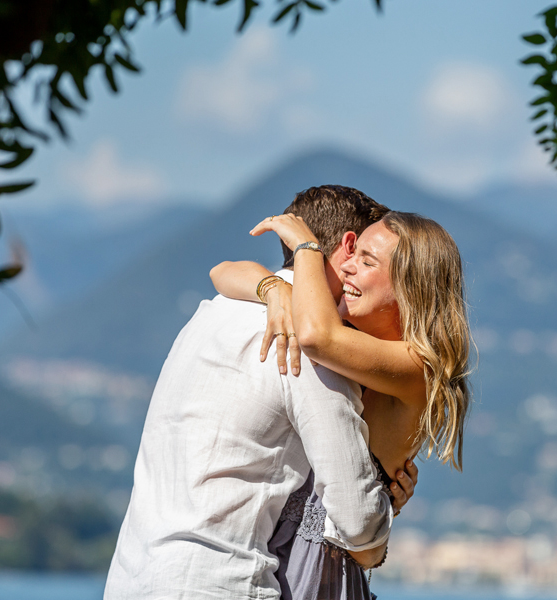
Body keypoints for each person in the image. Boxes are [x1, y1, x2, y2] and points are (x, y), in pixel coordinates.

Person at [104, 186, 417, 600]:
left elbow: (222, 270)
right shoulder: (311, 347)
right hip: (220, 583)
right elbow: (358, 523)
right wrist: (382, 512)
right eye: (365, 258)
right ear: (348, 246)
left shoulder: (210, 313)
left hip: (131, 578)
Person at [210, 208, 473, 599]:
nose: (347, 266)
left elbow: (315, 337)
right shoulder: (356, 347)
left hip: (320, 573)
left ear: (410, 287)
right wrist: (275, 289)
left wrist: (306, 248)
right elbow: (221, 272)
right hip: (283, 561)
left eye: (367, 261)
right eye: (352, 254)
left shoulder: (418, 366)